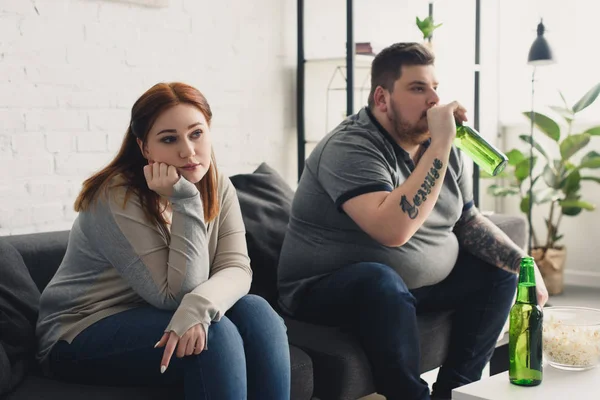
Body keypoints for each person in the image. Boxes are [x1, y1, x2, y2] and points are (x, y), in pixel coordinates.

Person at [277, 43, 548, 400]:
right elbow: (394, 231)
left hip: (409, 290)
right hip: (324, 290)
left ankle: (455, 391)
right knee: (379, 278)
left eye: (435, 87)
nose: (434, 100)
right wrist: (442, 144)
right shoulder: (351, 147)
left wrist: (522, 263)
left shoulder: (439, 146)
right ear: (382, 97)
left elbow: (466, 220)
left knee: (498, 269)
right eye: (418, 88)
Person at [36, 82, 291, 399]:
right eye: (169, 139)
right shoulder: (116, 197)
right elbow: (174, 295)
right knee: (216, 336)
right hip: (81, 330)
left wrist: (199, 309)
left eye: (196, 133)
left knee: (258, 313)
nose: (187, 150)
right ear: (145, 148)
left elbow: (237, 267)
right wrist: (185, 202)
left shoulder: (217, 184)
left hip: (155, 314)